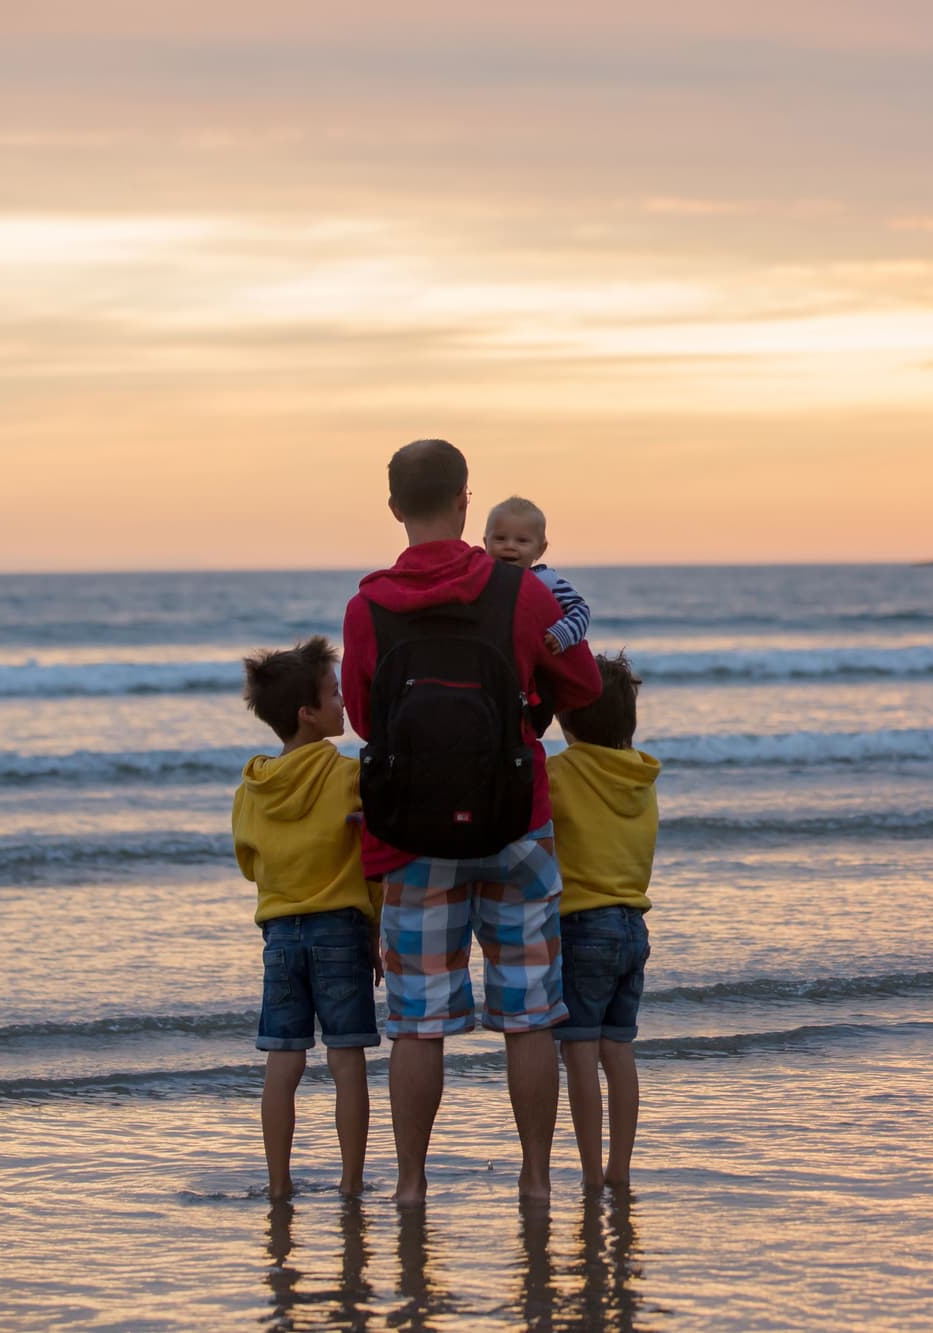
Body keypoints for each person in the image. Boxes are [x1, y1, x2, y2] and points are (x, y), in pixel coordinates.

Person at [342, 438, 602, 1206]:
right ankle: (535, 1178)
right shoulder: (521, 592)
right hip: (516, 825)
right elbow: (582, 684)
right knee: (529, 1012)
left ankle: (413, 1185)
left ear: (394, 508)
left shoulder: (368, 605)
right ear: (465, 503)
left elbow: (363, 717)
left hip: (412, 836)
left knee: (417, 1023)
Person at [232, 636, 382, 1199]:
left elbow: (250, 863)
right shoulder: (347, 775)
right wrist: (376, 927)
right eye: (334, 694)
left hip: (279, 933)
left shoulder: (253, 787)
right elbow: (372, 860)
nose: (344, 702)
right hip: (341, 926)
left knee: (283, 1062)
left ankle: (278, 1183)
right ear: (308, 713)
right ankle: (350, 1181)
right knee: (347, 1061)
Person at [547, 653, 660, 1190]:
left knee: (580, 1053)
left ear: (565, 718)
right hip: (633, 925)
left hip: (581, 926)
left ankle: (591, 1172)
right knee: (619, 1050)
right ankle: (620, 1169)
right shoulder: (639, 777)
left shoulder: (561, 772)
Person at [483, 495, 591, 657]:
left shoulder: (547, 581)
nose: (510, 546)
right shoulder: (484, 579)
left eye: (522, 541)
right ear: (486, 543)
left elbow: (580, 610)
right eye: (500, 539)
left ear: (540, 549)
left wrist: (563, 633)